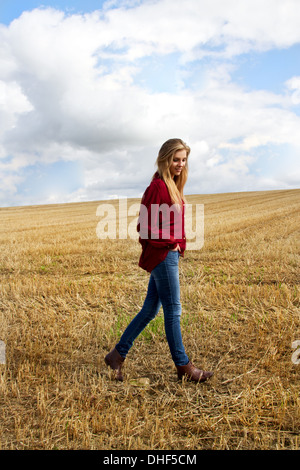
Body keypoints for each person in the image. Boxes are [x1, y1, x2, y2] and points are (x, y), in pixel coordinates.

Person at [104, 138, 213, 383]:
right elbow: (144, 227)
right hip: (163, 255)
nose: (180, 164)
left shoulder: (173, 185)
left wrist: (179, 244)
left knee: (149, 310)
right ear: (164, 159)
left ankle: (116, 355)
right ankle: (183, 366)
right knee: (173, 311)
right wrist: (170, 243)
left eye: (184, 160)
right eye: (176, 159)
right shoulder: (157, 187)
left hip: (168, 253)